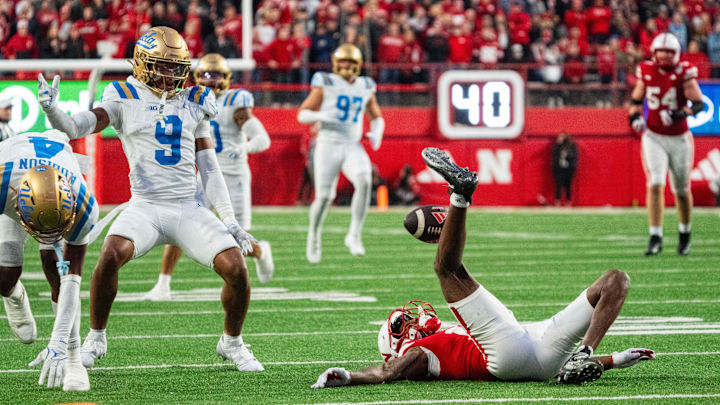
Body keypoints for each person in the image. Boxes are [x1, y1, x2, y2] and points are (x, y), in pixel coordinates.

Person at [312, 148, 654, 388]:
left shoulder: (436, 339)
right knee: (448, 271)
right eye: (403, 322)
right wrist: (351, 376)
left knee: (615, 281)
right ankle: (459, 195)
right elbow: (387, 372)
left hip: (540, 350)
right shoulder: (418, 353)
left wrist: (613, 359)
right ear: (398, 340)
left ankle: (586, 352)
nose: (412, 317)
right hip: (501, 357)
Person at [37, 26, 264, 372]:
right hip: (144, 205)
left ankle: (231, 342)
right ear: (143, 63)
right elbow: (78, 127)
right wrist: (54, 113)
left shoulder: (195, 100)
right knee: (110, 255)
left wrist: (230, 220)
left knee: (237, 270)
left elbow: (210, 168)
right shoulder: (123, 94)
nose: (172, 74)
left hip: (189, 207)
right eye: (163, 65)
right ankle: (95, 339)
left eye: (178, 66)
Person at [142, 53, 274, 301]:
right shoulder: (190, 100)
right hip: (203, 174)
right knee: (178, 224)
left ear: (226, 78)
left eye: (215, 75)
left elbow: (262, 138)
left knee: (239, 241)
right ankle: (163, 284)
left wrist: (244, 147)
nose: (209, 80)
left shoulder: (236, 101)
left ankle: (260, 251)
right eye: (204, 74)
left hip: (232, 177)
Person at [1, 129, 101, 391]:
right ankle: (13, 294)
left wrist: (60, 343)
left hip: (55, 196)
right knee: (4, 276)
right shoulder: (3, 184)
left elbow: (73, 280)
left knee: (58, 269)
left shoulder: (82, 204)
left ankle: (74, 358)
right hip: (15, 181)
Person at [297, 43, 384, 263]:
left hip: (352, 144)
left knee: (364, 180)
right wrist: (322, 117)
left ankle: (354, 235)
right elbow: (302, 114)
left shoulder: (365, 85)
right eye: (343, 61)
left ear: (357, 65)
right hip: (327, 143)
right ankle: (314, 236)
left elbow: (376, 116)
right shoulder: (325, 82)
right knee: (325, 196)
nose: (346, 65)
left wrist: (377, 133)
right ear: (336, 63)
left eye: (350, 62)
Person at [628, 33, 704, 256]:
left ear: (676, 55)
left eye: (668, 53)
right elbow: (635, 100)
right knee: (655, 184)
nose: (663, 57)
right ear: (654, 53)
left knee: (681, 190)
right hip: (653, 136)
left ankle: (684, 233)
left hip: (679, 138)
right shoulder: (646, 71)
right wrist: (634, 118)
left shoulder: (684, 73)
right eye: (660, 53)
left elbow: (699, 105)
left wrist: (681, 113)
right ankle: (655, 236)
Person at [551, 132, 578, 206]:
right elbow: (554, 154)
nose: (559, 139)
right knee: (558, 185)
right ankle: (557, 202)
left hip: (569, 169)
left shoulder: (572, 145)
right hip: (559, 169)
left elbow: (575, 156)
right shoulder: (557, 146)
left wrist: (567, 154)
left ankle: (568, 202)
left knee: (568, 186)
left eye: (561, 137)